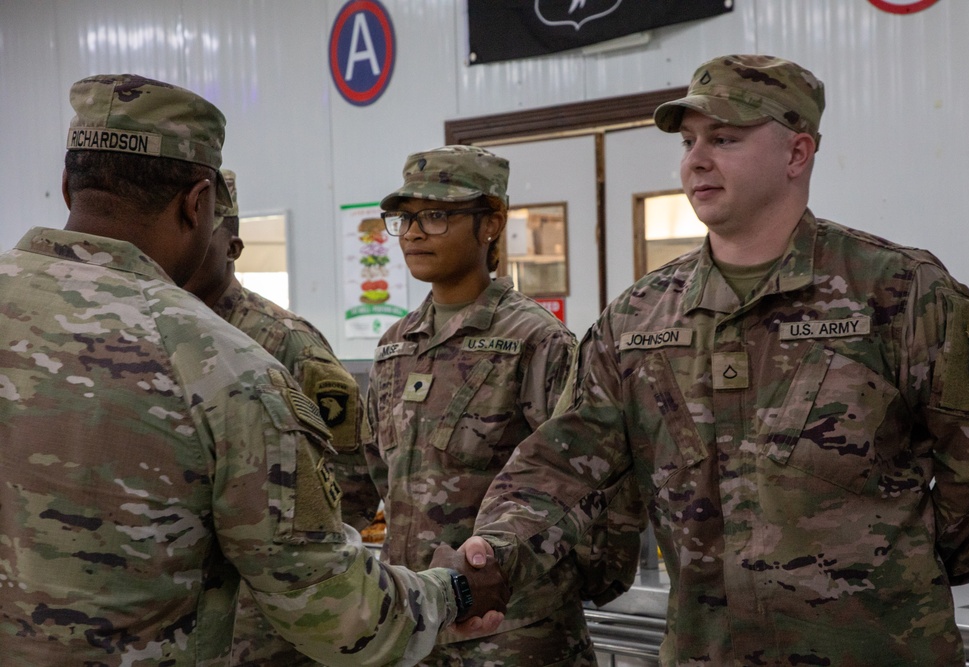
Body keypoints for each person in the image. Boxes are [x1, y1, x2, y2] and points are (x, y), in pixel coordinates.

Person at [455, 55, 969, 665]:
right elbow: (561, 466)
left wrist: (907, 571)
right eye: (689, 141)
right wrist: (495, 548)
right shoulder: (637, 320)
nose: (696, 160)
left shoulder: (900, 293)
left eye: (725, 138)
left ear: (796, 154)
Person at [0, 73, 507, 666]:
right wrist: (457, 592)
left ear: (67, 186)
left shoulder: (272, 347)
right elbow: (338, 612)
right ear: (197, 203)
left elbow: (351, 481)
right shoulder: (221, 368)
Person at [366, 145, 641, 666]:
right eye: (404, 218)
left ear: (491, 223)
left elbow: (591, 482)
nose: (415, 232)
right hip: (415, 621)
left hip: (514, 634)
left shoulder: (537, 341)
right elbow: (380, 473)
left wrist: (569, 584)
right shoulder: (396, 346)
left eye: (438, 215)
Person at [182, 169, 381, 666]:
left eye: (201, 236)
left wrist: (276, 567)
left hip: (261, 626)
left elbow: (352, 485)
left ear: (233, 247)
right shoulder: (155, 332)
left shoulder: (286, 344)